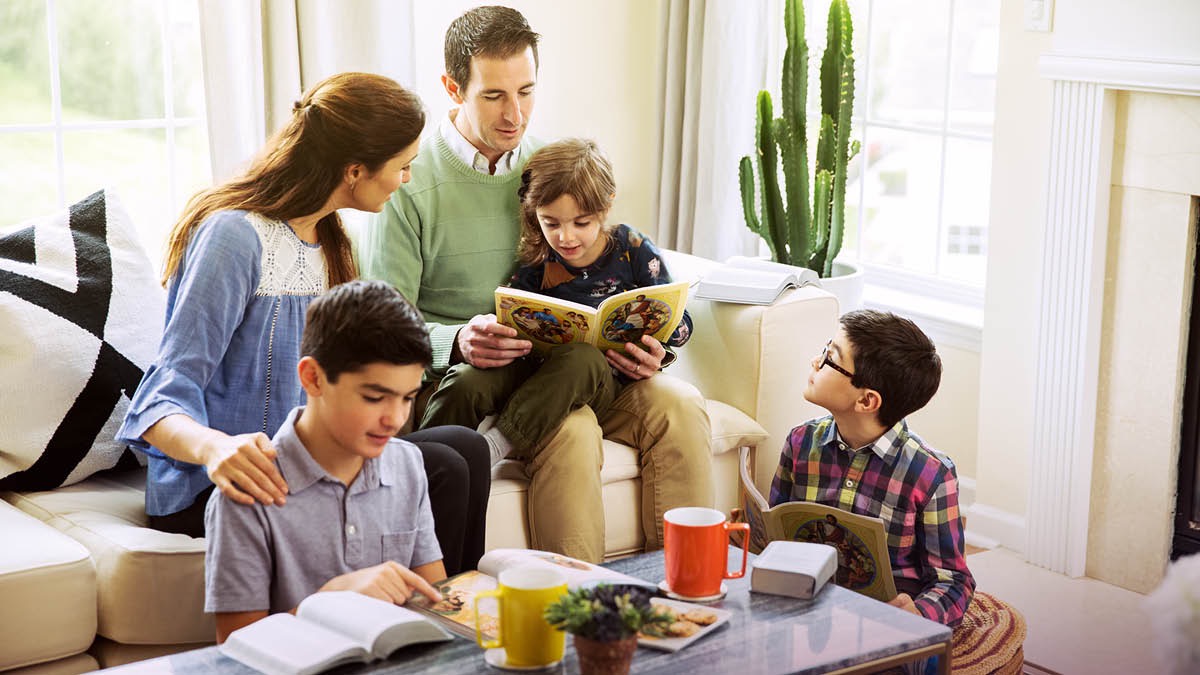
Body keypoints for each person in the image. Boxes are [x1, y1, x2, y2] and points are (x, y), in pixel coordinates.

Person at [357, 6, 713, 563]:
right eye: (494, 95)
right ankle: (582, 611)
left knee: (682, 406)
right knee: (572, 434)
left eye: (526, 91)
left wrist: (651, 352)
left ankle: (690, 587)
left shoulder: (549, 167)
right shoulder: (406, 182)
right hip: (473, 374)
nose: (514, 114)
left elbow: (605, 259)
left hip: (571, 365)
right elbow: (378, 325)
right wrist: (457, 339)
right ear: (453, 88)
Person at [116, 72, 490, 575]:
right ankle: (427, 621)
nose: (406, 180)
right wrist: (217, 448)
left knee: (465, 447)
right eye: (403, 166)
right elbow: (163, 392)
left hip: (303, 464)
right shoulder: (235, 237)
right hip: (221, 484)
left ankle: (449, 617)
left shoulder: (330, 242)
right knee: (442, 466)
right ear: (355, 170)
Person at [422, 138, 695, 467]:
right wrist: (495, 327)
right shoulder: (540, 255)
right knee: (468, 379)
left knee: (582, 357)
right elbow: (511, 308)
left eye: (581, 223)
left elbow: (678, 321)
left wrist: (661, 344)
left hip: (597, 379)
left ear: (606, 206)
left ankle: (498, 444)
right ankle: (417, 462)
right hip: (534, 369)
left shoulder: (631, 247)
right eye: (551, 223)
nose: (566, 237)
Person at [204, 280, 444, 642]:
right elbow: (235, 648)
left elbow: (437, 606)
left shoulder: (407, 464)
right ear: (313, 378)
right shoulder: (248, 491)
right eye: (375, 397)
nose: (395, 419)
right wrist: (334, 600)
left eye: (407, 397)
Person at [768, 309, 975, 628]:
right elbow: (775, 531)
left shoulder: (932, 474)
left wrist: (916, 614)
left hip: (884, 620)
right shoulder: (800, 442)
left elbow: (953, 582)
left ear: (866, 401)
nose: (815, 361)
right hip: (807, 606)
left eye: (829, 358)